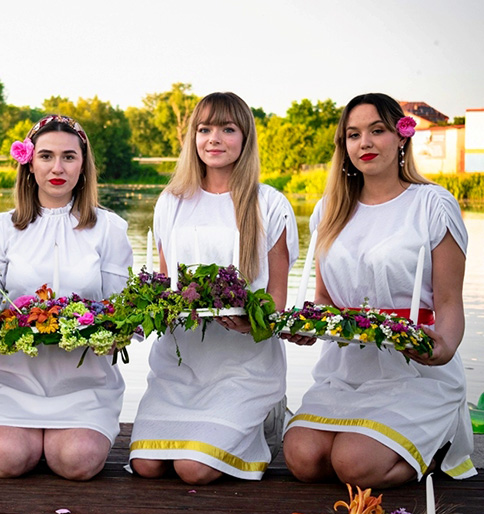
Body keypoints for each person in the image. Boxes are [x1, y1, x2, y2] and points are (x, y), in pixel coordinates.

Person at [282, 93, 477, 487]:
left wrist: (443, 348)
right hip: (346, 369)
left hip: (414, 371)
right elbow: (325, 298)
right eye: (353, 135)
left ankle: (438, 443)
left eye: (377, 131)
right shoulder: (330, 209)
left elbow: (449, 302)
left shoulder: (432, 205)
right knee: (303, 459)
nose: (365, 143)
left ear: (402, 136)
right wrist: (307, 322)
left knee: (354, 464)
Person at [129, 92, 297, 484]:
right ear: (193, 137)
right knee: (147, 465)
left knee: (192, 469)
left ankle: (258, 420)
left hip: (243, 367)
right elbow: (166, 284)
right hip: (180, 365)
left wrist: (250, 321)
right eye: (204, 129)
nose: (214, 139)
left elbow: (275, 301)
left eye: (227, 129)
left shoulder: (269, 204)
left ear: (245, 137)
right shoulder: (171, 201)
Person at [0, 115, 133, 480]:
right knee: (7, 459)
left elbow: (123, 312)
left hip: (84, 382)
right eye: (46, 156)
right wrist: (6, 326)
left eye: (69, 157)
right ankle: (16, 431)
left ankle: (73, 432)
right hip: (9, 380)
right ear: (29, 164)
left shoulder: (109, 229)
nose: (57, 167)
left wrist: (98, 330)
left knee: (76, 461)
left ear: (83, 166)